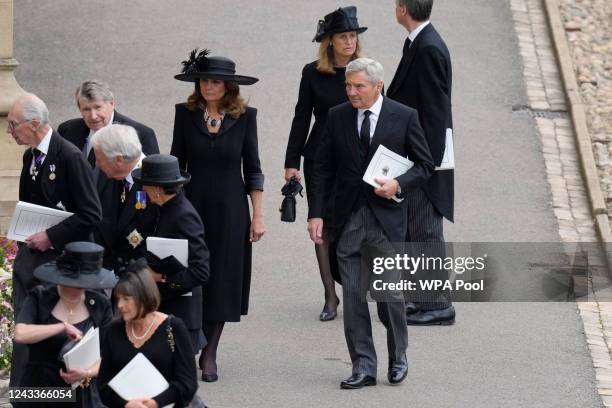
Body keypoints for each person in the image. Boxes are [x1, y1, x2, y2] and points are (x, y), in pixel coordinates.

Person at [307, 58, 433, 388]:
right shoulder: (336, 117)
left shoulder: (404, 117)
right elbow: (321, 168)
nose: (351, 92)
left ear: (378, 87)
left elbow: (425, 165)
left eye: (359, 86)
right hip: (347, 221)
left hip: (386, 222)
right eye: (348, 86)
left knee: (390, 295)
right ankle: (363, 365)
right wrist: (316, 213)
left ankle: (398, 355)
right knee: (353, 297)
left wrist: (398, 185)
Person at [171, 49, 265, 382]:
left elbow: (253, 170)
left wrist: (258, 216)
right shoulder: (185, 114)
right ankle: (189, 340)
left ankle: (210, 351)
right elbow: (175, 164)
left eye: (215, 81)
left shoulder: (245, 117)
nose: (208, 87)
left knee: (223, 278)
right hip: (190, 208)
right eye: (203, 81)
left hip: (231, 210)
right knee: (190, 275)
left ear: (228, 85)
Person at [7, 93, 102, 387]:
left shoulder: (70, 157)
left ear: (35, 124)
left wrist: (50, 235)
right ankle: (24, 395)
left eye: (13, 125)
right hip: (30, 264)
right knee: (25, 340)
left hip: (60, 266)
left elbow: (91, 214)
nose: (10, 131)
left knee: (52, 342)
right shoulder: (31, 155)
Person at [284, 6, 366, 322]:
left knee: (353, 222)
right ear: (329, 41)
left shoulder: (365, 72)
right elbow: (301, 117)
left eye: (352, 36)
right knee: (321, 224)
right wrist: (291, 162)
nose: (349, 41)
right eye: (343, 36)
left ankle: (353, 288)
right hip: (319, 157)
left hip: (357, 158)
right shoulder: (313, 73)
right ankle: (330, 295)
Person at [387, 0, 455, 325]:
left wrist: (424, 165)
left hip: (425, 159)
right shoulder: (420, 42)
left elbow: (435, 113)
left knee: (425, 231)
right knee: (416, 229)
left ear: (403, 8)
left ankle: (437, 305)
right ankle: (423, 297)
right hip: (418, 155)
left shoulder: (428, 49)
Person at [14, 241, 116, 407]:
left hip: (82, 391)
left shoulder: (100, 304)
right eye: (75, 285)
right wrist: (61, 327)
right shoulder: (40, 296)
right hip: (39, 390)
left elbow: (109, 353)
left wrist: (87, 372)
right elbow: (20, 334)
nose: (79, 290)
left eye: (85, 285)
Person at [131, 154, 210, 354]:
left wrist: (161, 277)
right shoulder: (161, 208)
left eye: (146, 186)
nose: (143, 190)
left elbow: (201, 271)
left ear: (157, 189)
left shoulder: (184, 216)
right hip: (161, 309)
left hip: (179, 314)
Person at [98, 262, 198, 408]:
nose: (119, 305)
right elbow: (103, 386)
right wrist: (126, 404)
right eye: (118, 299)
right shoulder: (114, 330)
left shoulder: (173, 328)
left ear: (143, 298)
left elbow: (188, 384)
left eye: (126, 299)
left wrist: (155, 403)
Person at [89, 124, 158, 273]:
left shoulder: (156, 186)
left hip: (137, 277)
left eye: (100, 158)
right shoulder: (110, 175)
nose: (96, 164)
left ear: (119, 160)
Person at [58, 80, 159, 168]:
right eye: (86, 109)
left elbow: (153, 179)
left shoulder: (142, 134)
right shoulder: (67, 130)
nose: (93, 116)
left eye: (98, 107)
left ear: (111, 104)